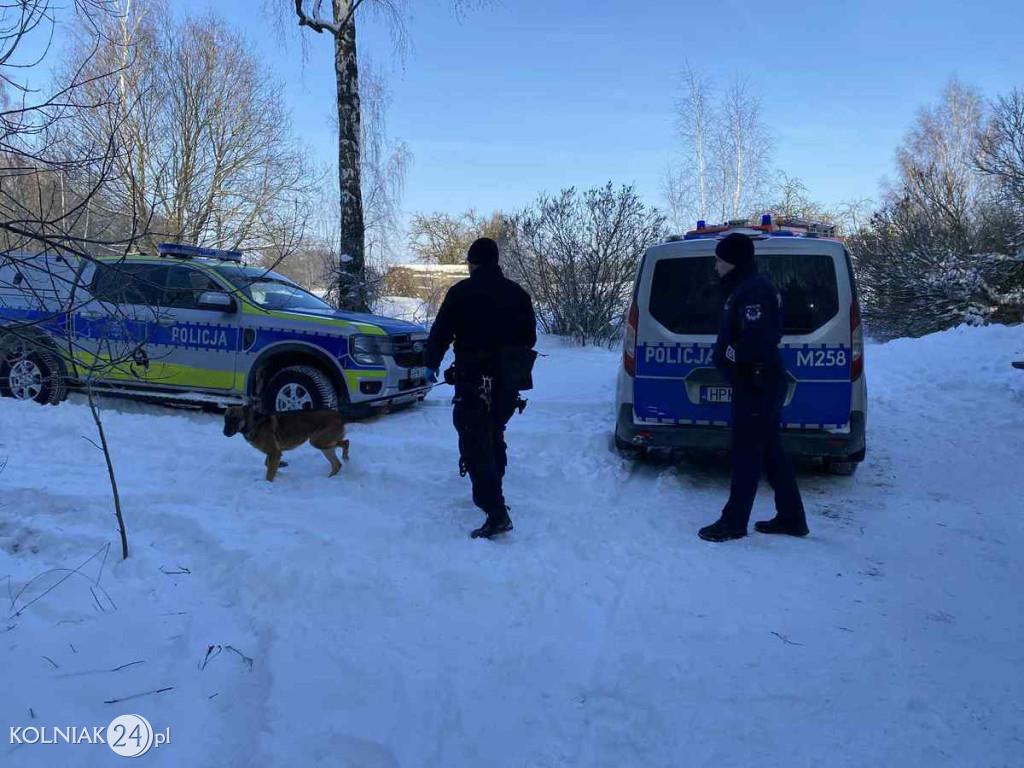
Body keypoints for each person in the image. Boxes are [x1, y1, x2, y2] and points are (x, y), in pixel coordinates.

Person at [424, 237, 537, 539]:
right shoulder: (518, 294)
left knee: (475, 441)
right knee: (494, 432)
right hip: (507, 381)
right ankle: (495, 493)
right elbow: (530, 339)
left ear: (472, 262)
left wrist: (430, 363)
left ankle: (496, 512)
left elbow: (440, 334)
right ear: (496, 261)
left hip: (474, 380)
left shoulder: (461, 293)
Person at [698, 232, 809, 542]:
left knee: (746, 453)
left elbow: (757, 338)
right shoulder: (746, 287)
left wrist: (731, 354)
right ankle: (791, 518)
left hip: (756, 383)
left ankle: (733, 522)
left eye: (720, 261)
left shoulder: (754, 291)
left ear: (734, 262)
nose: (717, 266)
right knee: (771, 452)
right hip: (757, 381)